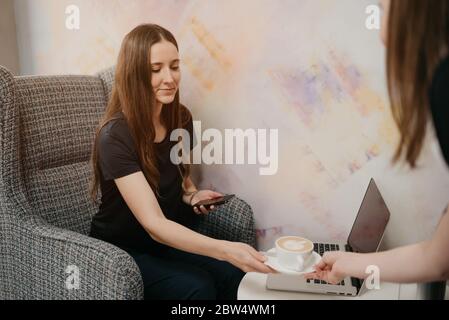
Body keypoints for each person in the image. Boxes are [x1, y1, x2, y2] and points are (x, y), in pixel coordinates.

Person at [89, 24, 272, 300]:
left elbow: (182, 180)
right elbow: (154, 224)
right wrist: (226, 248)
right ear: (134, 73)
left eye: (174, 66)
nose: (169, 78)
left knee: (233, 274)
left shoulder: (181, 120)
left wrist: (192, 196)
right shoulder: (115, 136)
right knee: (197, 286)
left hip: (165, 238)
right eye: (156, 69)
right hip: (123, 250)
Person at [305, 0, 449, 285]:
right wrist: (349, 263)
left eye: (382, 9)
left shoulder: (444, 85)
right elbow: (438, 260)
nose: (381, 31)